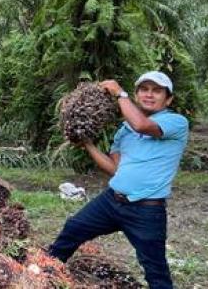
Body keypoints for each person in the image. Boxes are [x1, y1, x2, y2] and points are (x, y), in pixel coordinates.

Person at [48, 71, 189, 289]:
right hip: (111, 202)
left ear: (168, 99)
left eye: (157, 91)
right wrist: (87, 144)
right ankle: (43, 275)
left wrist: (119, 93)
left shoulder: (176, 122)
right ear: (137, 94)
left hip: (146, 209)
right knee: (72, 229)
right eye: (144, 89)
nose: (149, 95)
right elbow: (115, 168)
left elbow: (142, 125)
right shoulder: (125, 130)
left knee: (155, 269)